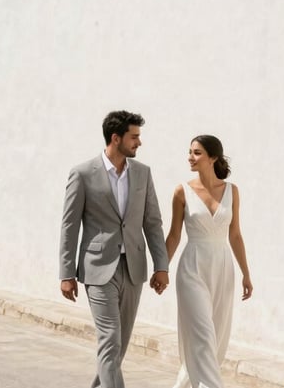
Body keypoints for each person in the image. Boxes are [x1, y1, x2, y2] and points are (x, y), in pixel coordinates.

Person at [59, 110, 170, 388]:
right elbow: (70, 226)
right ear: (116, 138)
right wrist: (66, 273)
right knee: (110, 339)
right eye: (134, 137)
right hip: (98, 268)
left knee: (118, 348)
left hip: (133, 268)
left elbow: (152, 222)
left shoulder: (143, 173)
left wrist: (162, 266)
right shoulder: (83, 173)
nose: (139, 143)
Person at [165, 135, 253, 388]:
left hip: (223, 268)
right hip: (192, 267)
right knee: (203, 335)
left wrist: (246, 273)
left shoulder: (232, 191)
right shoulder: (182, 191)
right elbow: (173, 235)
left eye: (197, 153)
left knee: (215, 338)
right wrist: (162, 269)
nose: (190, 157)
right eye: (190, 152)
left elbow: (235, 235)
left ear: (213, 157)